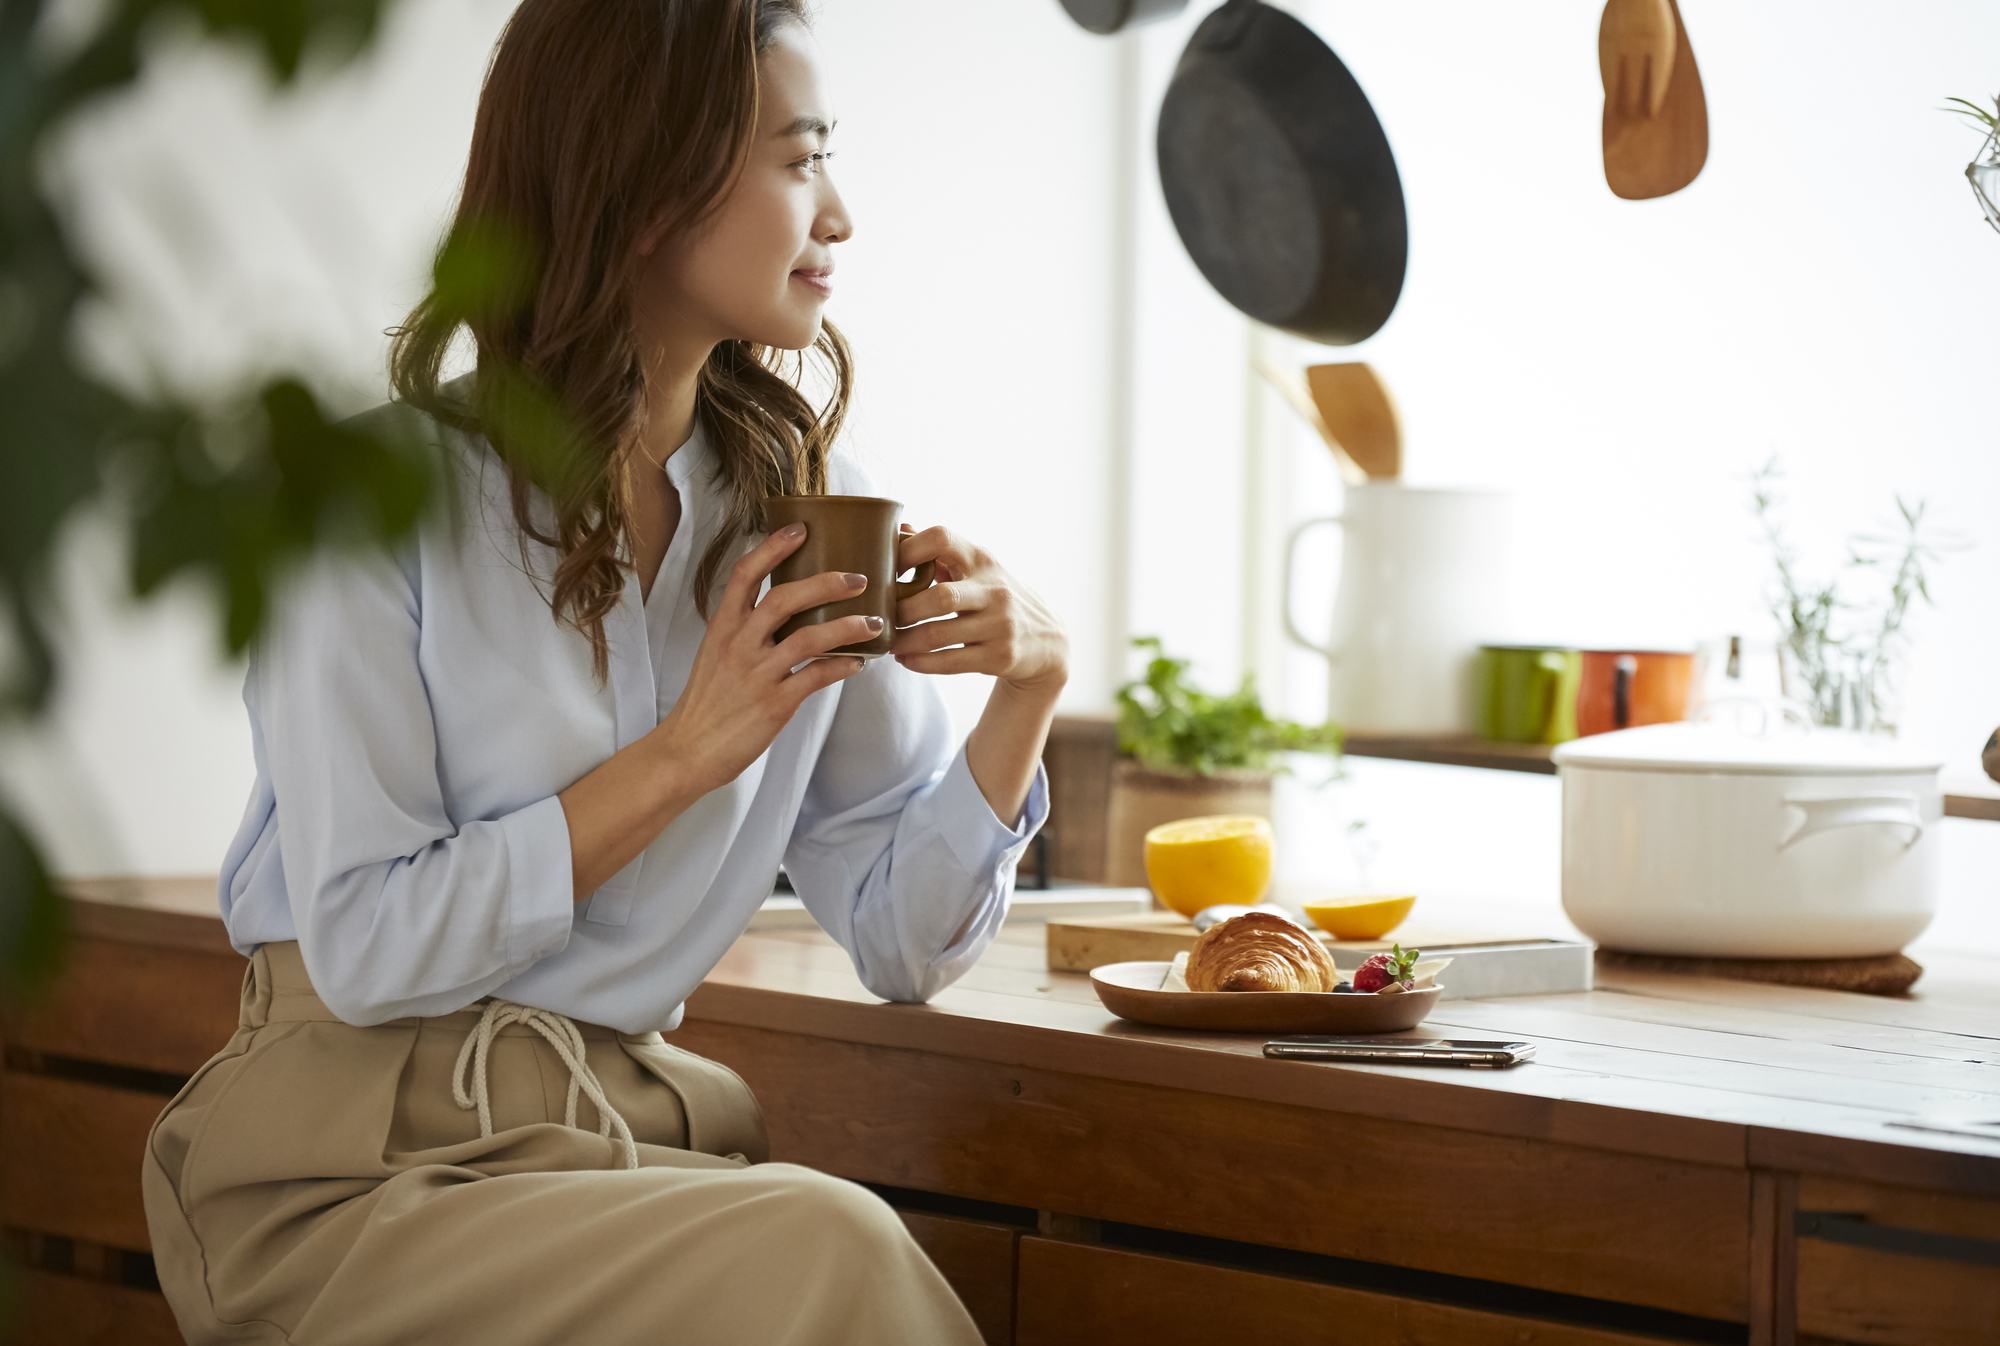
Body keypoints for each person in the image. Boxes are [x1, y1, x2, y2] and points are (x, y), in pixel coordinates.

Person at [139, 1, 1066, 1341]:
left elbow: (902, 941)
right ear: (644, 189)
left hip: (617, 1143)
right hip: (351, 1163)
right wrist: (690, 751)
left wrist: (1025, 693)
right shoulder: (371, 501)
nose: (842, 216)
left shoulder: (807, 512)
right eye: (801, 162)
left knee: (816, 1245)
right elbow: (369, 945)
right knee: (831, 1245)